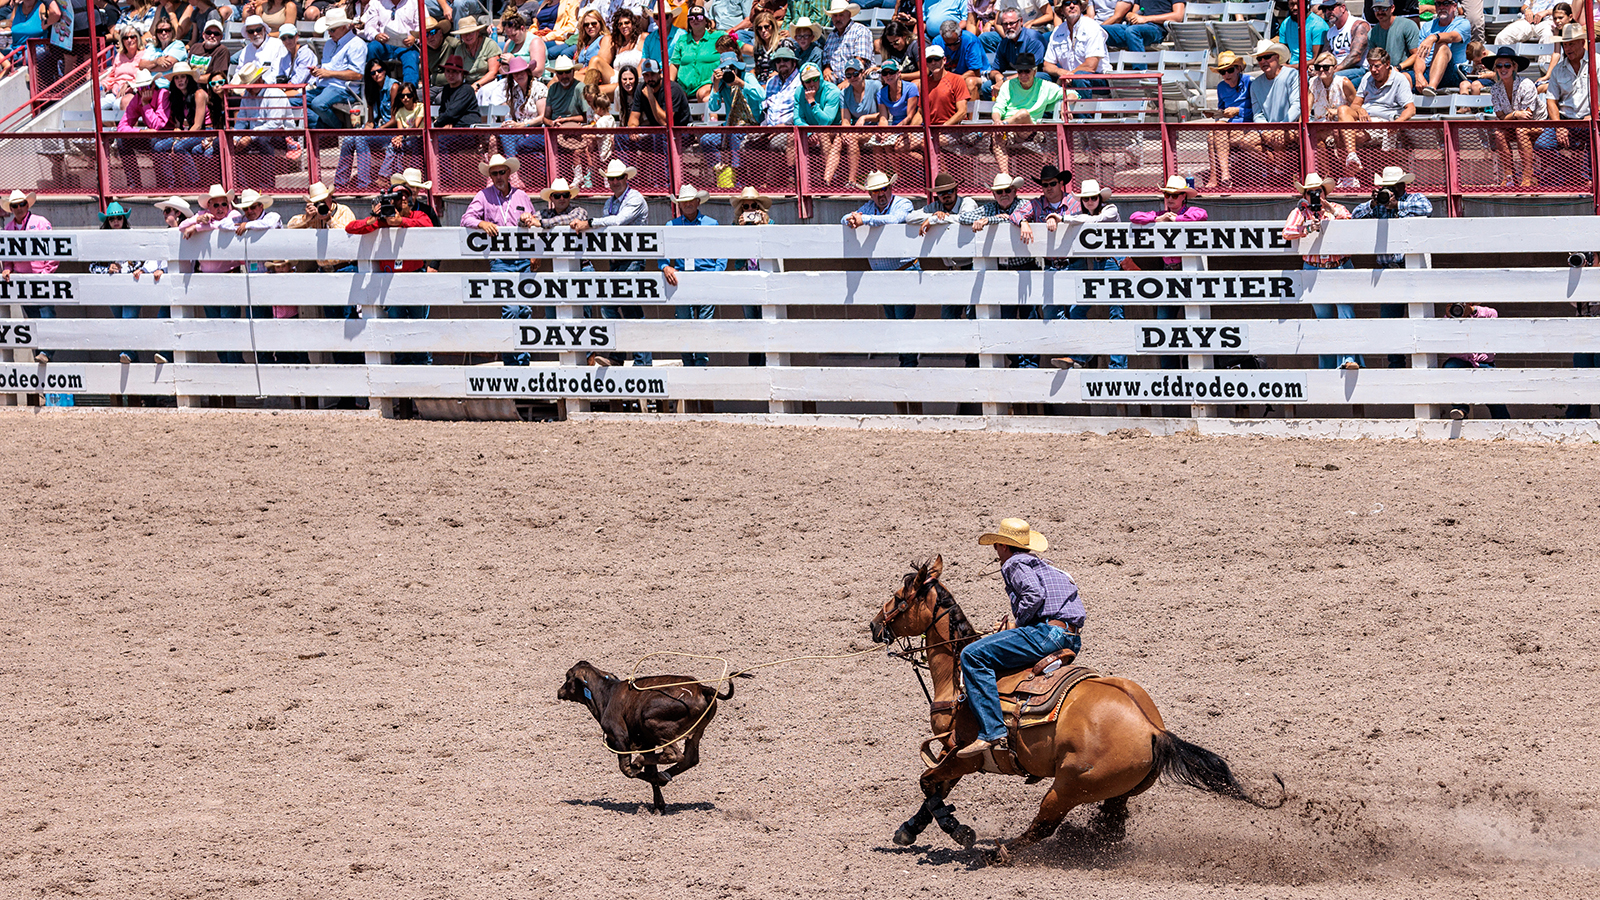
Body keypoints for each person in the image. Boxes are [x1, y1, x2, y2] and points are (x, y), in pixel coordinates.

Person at [954, 518, 1085, 760]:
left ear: (1003, 546)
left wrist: (1018, 623)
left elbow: (1034, 595)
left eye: (996, 546)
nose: (997, 552)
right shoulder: (1048, 567)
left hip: (1046, 634)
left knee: (972, 655)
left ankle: (991, 730)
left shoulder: (1013, 563)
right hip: (1070, 637)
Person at [462, 153, 541, 364]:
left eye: (501, 172)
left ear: (509, 173)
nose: (498, 177)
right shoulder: (483, 195)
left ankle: (523, 361)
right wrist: (481, 224)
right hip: (501, 260)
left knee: (525, 309)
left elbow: (536, 222)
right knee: (511, 309)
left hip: (524, 258)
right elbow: (466, 218)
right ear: (490, 175)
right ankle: (512, 362)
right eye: (494, 173)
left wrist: (534, 251)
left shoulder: (521, 196)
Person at [1351, 165, 1431, 369]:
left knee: (1419, 319)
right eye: (1386, 187)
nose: (1390, 191)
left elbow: (1427, 208)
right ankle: (1396, 365)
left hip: (1411, 268)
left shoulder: (1414, 199)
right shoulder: (1378, 204)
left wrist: (1398, 207)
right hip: (1389, 272)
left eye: (1393, 187)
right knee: (1390, 322)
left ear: (1403, 186)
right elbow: (1355, 216)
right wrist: (1373, 202)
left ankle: (1421, 367)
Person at [347, 183, 432, 368]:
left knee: (419, 328)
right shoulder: (382, 219)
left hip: (414, 278)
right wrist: (373, 218)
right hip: (391, 282)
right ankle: (404, 385)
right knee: (397, 330)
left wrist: (401, 221)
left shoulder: (418, 215)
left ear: (408, 198)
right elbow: (351, 228)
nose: (401, 198)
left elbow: (428, 225)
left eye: (404, 195)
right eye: (396, 196)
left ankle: (424, 372)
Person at [1282, 173, 1360, 371]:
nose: (1315, 196)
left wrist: (1329, 209)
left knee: (1346, 312)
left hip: (1339, 264)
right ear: (1305, 195)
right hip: (1314, 269)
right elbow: (1288, 232)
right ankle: (1326, 367)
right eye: (1311, 192)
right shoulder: (1301, 211)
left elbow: (1351, 223)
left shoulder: (1336, 208)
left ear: (1325, 193)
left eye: (1318, 191)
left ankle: (1348, 359)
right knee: (1322, 319)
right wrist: (1307, 229)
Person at [961, 173, 1039, 368]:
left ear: (1014, 191)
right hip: (1004, 272)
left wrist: (992, 220)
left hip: (1025, 269)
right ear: (994, 194)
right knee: (1008, 321)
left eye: (1007, 190)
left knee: (1030, 320)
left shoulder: (1023, 204)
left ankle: (1029, 365)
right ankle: (1017, 364)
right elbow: (965, 217)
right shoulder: (991, 208)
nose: (1003, 194)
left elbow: (1016, 217)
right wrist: (996, 217)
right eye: (999, 192)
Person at [843, 170, 919, 369]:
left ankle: (908, 366)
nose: (880, 194)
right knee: (895, 324)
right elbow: (845, 218)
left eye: (884, 189)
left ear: (891, 188)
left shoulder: (902, 203)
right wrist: (852, 219)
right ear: (870, 194)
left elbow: (896, 219)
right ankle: (906, 365)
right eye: (876, 191)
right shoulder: (869, 207)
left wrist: (864, 220)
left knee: (902, 324)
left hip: (904, 271)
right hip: (885, 276)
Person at [1131, 175, 1205, 368]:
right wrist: (1159, 218)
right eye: (1166, 194)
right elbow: (1134, 217)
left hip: (1186, 271)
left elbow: (1201, 215)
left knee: (1192, 323)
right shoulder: (1161, 214)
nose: (1170, 198)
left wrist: (1176, 219)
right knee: (1164, 324)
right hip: (1169, 271)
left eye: (1174, 194)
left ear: (1183, 197)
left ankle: (1190, 370)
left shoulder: (1190, 212)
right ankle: (1171, 373)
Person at [1054, 179, 1126, 369]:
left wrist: (1064, 219)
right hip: (1097, 264)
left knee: (1116, 313)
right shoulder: (1082, 216)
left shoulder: (1111, 210)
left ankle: (1117, 366)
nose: (1089, 201)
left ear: (1100, 198)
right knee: (1076, 311)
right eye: (1086, 199)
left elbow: (1095, 221)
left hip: (1112, 263)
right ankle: (1083, 353)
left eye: (1093, 198)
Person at [591, 158, 652, 367]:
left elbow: (617, 221)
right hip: (618, 259)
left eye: (618, 178)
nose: (614, 182)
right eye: (611, 179)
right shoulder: (610, 202)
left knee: (624, 306)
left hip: (633, 257)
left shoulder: (634, 198)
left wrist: (590, 223)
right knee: (618, 307)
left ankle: (632, 359)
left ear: (626, 178)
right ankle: (624, 357)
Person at [660, 185, 724, 375]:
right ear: (679, 205)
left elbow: (723, 251)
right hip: (681, 281)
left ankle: (701, 366)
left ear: (698, 202)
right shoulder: (671, 226)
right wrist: (665, 266)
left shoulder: (712, 224)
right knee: (684, 324)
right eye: (683, 202)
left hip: (704, 278)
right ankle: (689, 366)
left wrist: (716, 272)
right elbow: (661, 252)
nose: (687, 204)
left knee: (704, 325)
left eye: (690, 201)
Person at [908, 172, 979, 339]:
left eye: (949, 191)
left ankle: (973, 363)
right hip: (952, 269)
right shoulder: (935, 207)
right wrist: (933, 216)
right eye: (941, 193)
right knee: (948, 318)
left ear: (956, 190)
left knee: (973, 316)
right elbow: (910, 217)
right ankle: (960, 356)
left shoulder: (967, 202)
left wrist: (936, 220)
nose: (945, 196)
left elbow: (965, 219)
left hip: (972, 267)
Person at [1337, 47, 1415, 184]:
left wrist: (1399, 122)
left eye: (1377, 66)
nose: (1373, 70)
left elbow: (1411, 109)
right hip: (1365, 118)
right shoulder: (1367, 77)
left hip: (1383, 121)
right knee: (1343, 110)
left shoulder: (1399, 79)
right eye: (1370, 66)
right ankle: (1352, 157)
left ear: (1387, 64)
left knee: (1339, 134)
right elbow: (1355, 104)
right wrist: (1359, 109)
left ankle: (1349, 176)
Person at [1, 190, 58, 364]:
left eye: (22, 204)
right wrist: (8, 268)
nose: (19, 208)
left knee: (46, 314)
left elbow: (53, 249)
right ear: (11, 209)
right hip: (23, 280)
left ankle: (46, 351)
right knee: (33, 317)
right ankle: (42, 352)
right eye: (15, 205)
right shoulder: (8, 229)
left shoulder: (41, 223)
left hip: (41, 277)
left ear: (27, 205)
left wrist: (46, 272)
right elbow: (7, 255)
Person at [990, 52, 1064, 175]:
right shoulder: (1008, 85)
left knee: (1023, 114)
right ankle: (1006, 177)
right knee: (996, 135)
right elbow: (998, 108)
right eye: (1020, 72)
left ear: (1034, 72)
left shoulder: (1044, 86)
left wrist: (1064, 104)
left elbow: (1072, 93)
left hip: (1032, 130)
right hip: (1008, 130)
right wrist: (997, 120)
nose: (1023, 75)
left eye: (1027, 71)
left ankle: (1002, 125)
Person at [1483, 47, 1544, 189]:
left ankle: (1528, 175)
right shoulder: (1495, 89)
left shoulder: (1527, 84)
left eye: (1507, 65)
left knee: (1521, 131)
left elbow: (1527, 117)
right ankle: (1509, 176)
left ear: (1514, 67)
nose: (1503, 69)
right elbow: (1500, 117)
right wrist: (1516, 114)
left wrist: (1510, 117)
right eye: (1499, 65)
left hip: (1540, 125)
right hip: (1514, 125)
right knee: (1499, 133)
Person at [1443, 302, 1510, 420]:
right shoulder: (1452, 315)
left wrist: (1473, 311)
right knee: (1450, 367)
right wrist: (1450, 315)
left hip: (1483, 363)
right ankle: (1460, 408)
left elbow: (1494, 314)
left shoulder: (1484, 312)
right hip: (1460, 361)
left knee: (1493, 395)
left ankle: (1503, 420)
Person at [308, 7, 367, 128]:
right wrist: (318, 71)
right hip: (325, 87)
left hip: (344, 89)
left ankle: (337, 129)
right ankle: (325, 128)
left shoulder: (357, 44)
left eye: (332, 30)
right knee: (293, 102)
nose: (329, 33)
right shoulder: (329, 43)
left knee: (318, 104)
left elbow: (357, 75)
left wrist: (328, 73)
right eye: (329, 30)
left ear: (344, 27)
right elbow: (329, 67)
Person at [1202, 50, 1252, 190]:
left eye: (1229, 70)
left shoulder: (1250, 82)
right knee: (1214, 132)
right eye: (1222, 72)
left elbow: (1259, 111)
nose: (1226, 75)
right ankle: (1224, 176)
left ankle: (1217, 176)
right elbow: (1222, 112)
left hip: (1247, 125)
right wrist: (1214, 114)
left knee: (1213, 136)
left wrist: (1238, 111)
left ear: (1238, 69)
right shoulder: (1221, 87)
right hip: (1229, 127)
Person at [1539, 23, 1590, 160]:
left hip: (1590, 121)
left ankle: (1589, 177)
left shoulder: (1597, 63)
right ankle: (1568, 169)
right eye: (1565, 45)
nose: (1567, 48)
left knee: (1595, 138)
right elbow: (1551, 101)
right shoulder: (1557, 70)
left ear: (1582, 43)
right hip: (1564, 120)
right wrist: (1559, 126)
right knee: (1542, 146)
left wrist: (1595, 115)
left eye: (1571, 44)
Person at [1409, 0, 1470, 97]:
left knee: (1441, 45)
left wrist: (1434, 37)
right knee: (1403, 77)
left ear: (1454, 6)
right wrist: (1419, 75)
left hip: (1453, 72)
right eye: (1438, 4)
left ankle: (1431, 87)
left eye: (1446, 3)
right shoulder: (1427, 26)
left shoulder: (1463, 23)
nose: (1441, 7)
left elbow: (1452, 37)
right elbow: (1420, 55)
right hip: (1429, 70)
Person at [1042, 0, 1107, 89]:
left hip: (1097, 79)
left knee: (1079, 77)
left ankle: (1083, 103)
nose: (1072, 5)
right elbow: (1047, 65)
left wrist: (1068, 75)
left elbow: (1091, 66)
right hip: (1068, 77)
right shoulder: (1057, 31)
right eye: (1067, 3)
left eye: (1075, 2)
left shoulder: (1092, 27)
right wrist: (1060, 72)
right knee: (1039, 77)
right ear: (1061, 10)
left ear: (1080, 7)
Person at [985, 6, 1046, 101]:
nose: (1008, 27)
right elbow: (995, 70)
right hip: (1016, 77)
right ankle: (1002, 112)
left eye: (1012, 23)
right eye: (1005, 24)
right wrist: (998, 77)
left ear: (1021, 21)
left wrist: (1005, 80)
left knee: (1031, 78)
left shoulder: (1033, 39)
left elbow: (1031, 70)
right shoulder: (1004, 42)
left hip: (1036, 75)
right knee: (988, 87)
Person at [1100, 0, 1185, 57]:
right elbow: (1134, 12)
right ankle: (1098, 72)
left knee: (1132, 31)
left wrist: (1146, 18)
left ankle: (1140, 73)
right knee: (1100, 30)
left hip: (1157, 28)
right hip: (1134, 26)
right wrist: (1130, 15)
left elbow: (1178, 16)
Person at [1367, 0, 1419, 86]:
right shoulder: (1371, 34)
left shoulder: (1408, 25)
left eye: (1384, 8)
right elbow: (1372, 59)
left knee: (1399, 80)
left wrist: (1398, 67)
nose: (1380, 12)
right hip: (1381, 72)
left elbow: (1416, 55)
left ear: (1392, 8)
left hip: (1405, 70)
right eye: (1376, 9)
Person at [822, 0, 871, 83]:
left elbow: (860, 61)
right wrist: (827, 69)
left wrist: (848, 80)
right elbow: (828, 61)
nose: (838, 19)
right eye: (835, 15)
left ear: (849, 15)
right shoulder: (831, 36)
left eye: (841, 15)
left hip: (856, 80)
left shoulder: (860, 31)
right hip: (835, 81)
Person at [922, 43, 970, 127]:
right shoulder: (925, 83)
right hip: (931, 131)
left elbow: (962, 112)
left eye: (936, 59)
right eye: (929, 60)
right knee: (905, 139)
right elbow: (920, 113)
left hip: (953, 129)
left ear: (944, 60)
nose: (933, 63)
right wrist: (908, 132)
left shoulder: (957, 80)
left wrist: (943, 128)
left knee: (939, 140)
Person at [934, 18, 984, 97]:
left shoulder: (970, 40)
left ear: (960, 33)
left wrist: (954, 81)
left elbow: (975, 72)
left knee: (970, 82)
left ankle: (971, 109)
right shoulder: (937, 42)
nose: (952, 48)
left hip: (977, 76)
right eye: (948, 45)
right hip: (951, 78)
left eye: (956, 43)